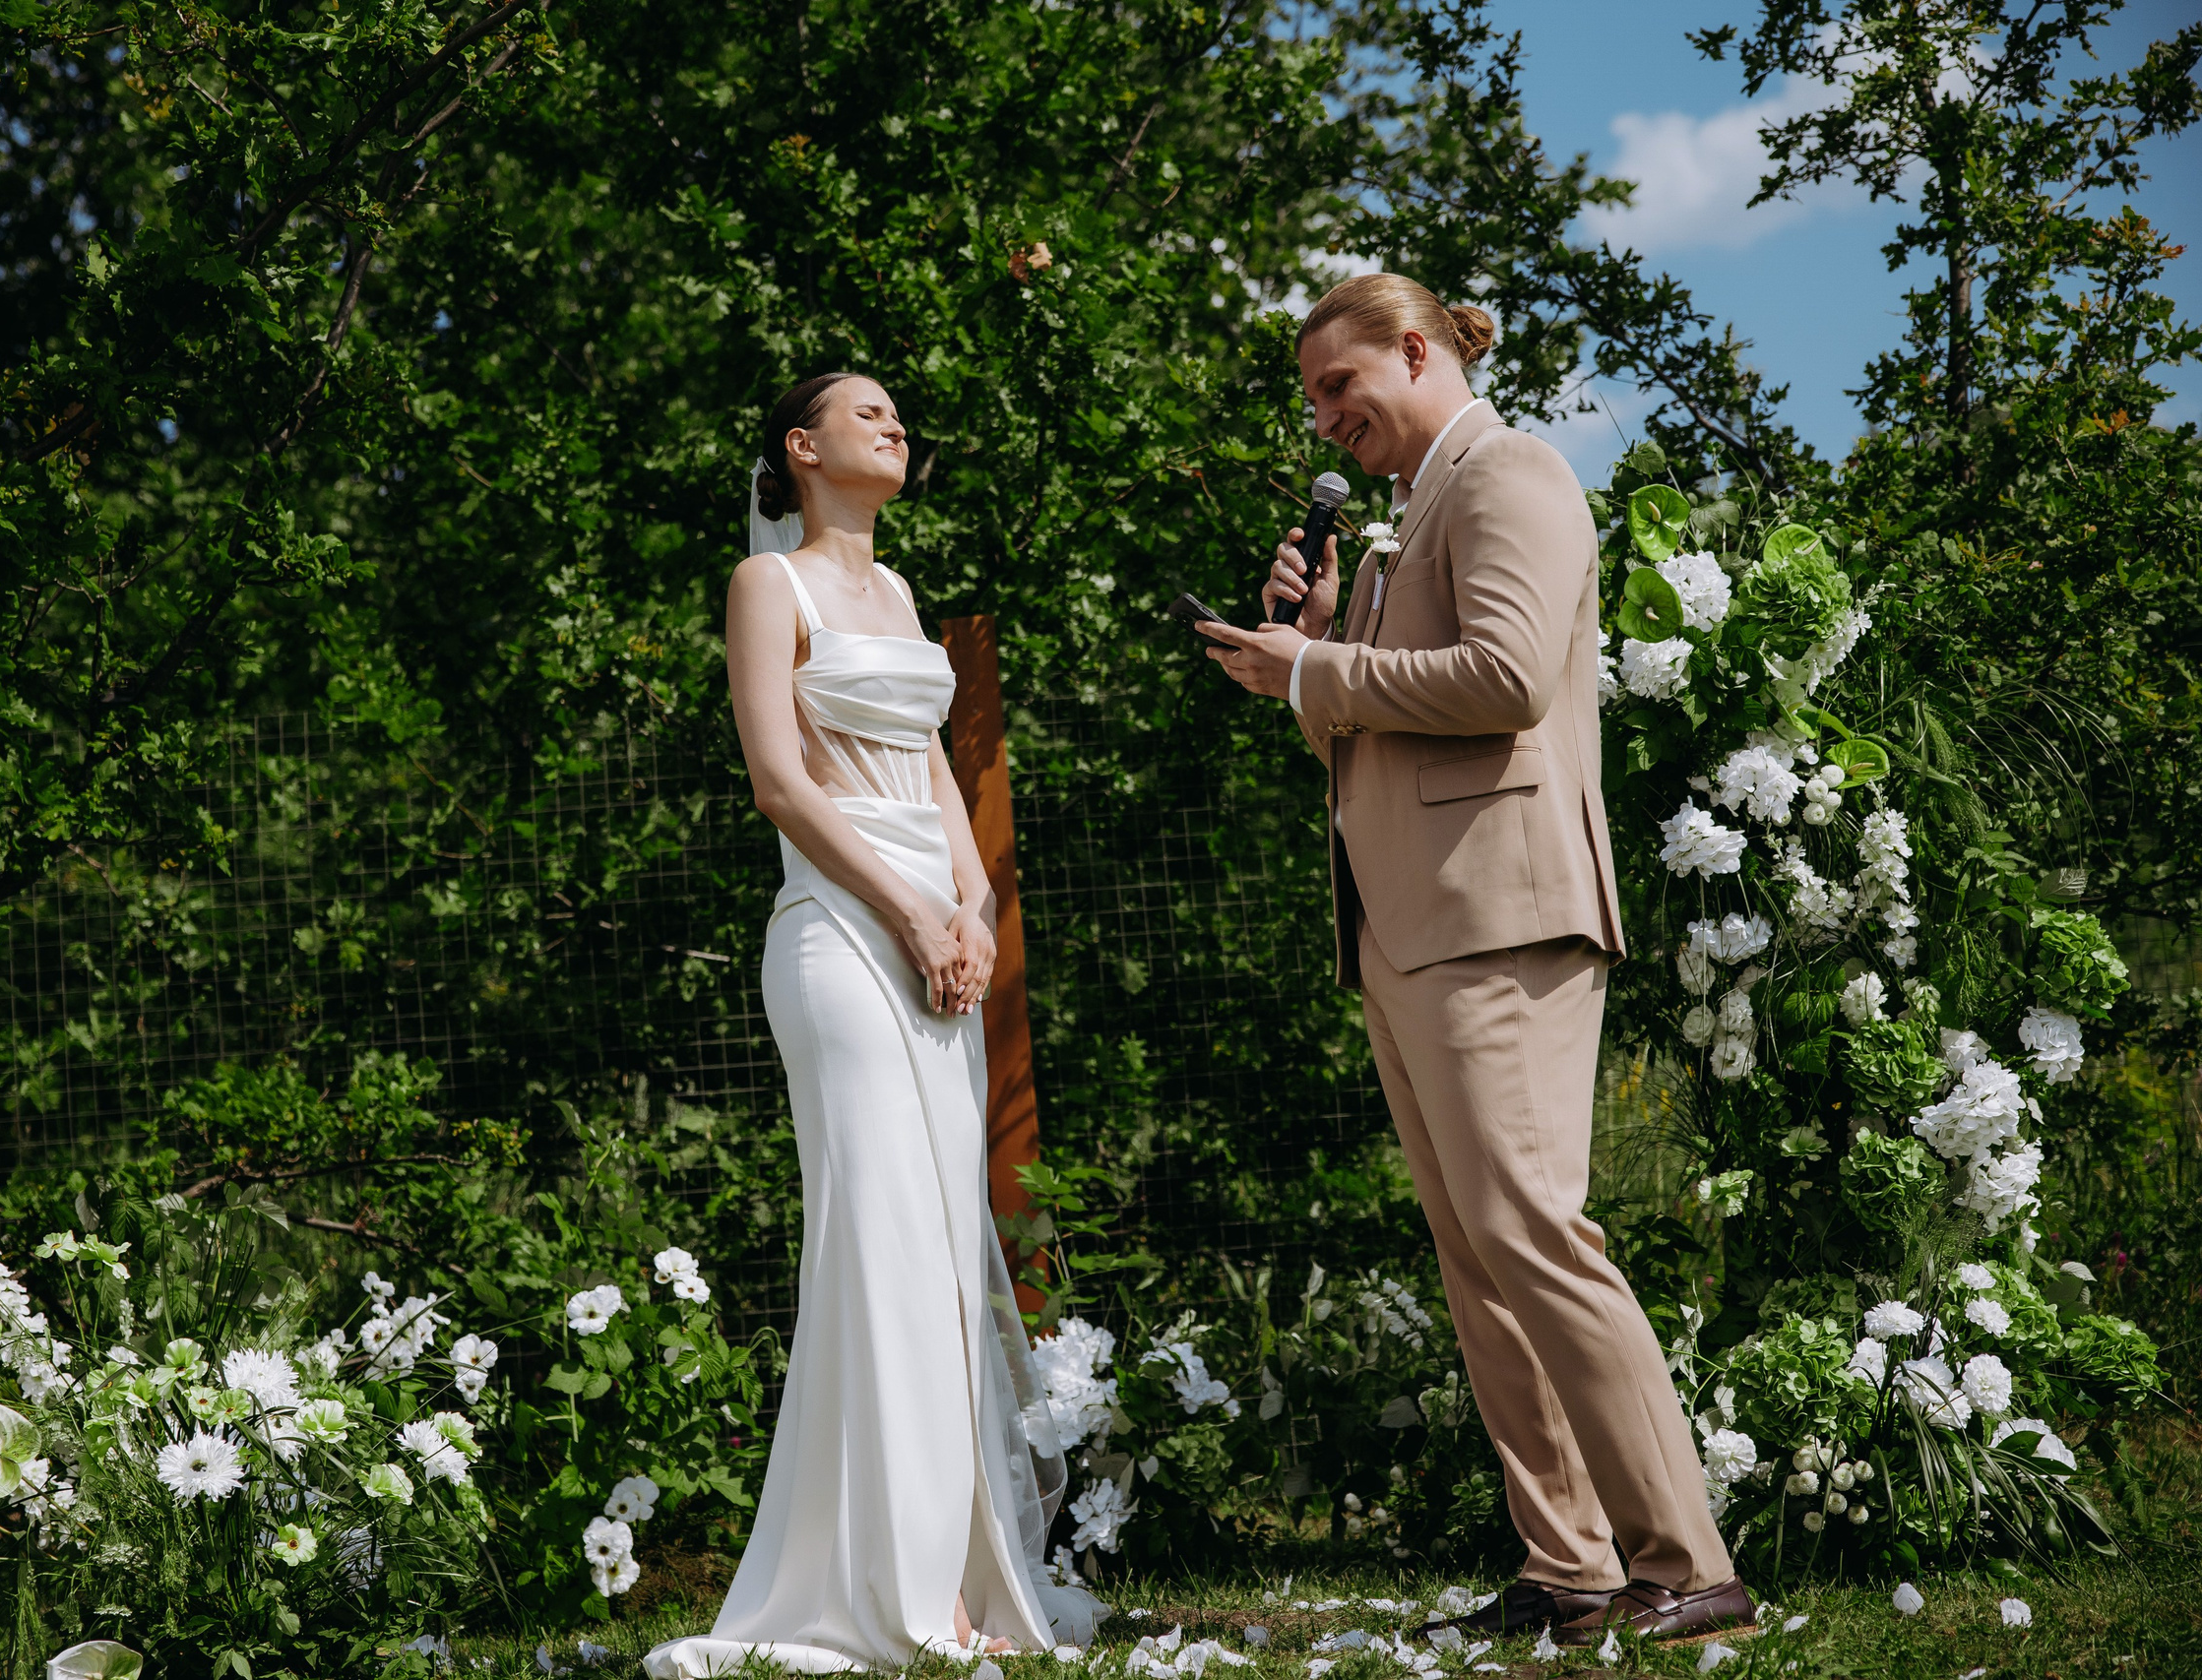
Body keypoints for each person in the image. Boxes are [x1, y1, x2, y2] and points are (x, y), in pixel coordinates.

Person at [1198, 275, 1755, 1648]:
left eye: (1343, 386)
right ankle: (1569, 1565)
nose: (1327, 419)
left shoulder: (1510, 471)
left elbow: (1504, 681)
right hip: (1407, 922)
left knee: (1536, 1235)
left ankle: (1688, 1562)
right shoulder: (1395, 533)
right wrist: (1319, 644)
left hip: (1502, 913)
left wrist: (1307, 676)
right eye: (1314, 399)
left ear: (1417, 348)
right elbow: (1377, 727)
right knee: (1476, 1253)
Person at [644, 374, 1106, 1678]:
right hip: (842, 939)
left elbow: (937, 774)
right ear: (799, 448)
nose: (896, 425)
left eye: (903, 414)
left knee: (946, 1253)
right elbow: (783, 782)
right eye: (866, 413)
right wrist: (907, 910)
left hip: (936, 939)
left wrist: (972, 910)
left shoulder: (901, 599)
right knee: (880, 1238)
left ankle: (960, 1572)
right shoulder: (768, 589)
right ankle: (886, 1591)